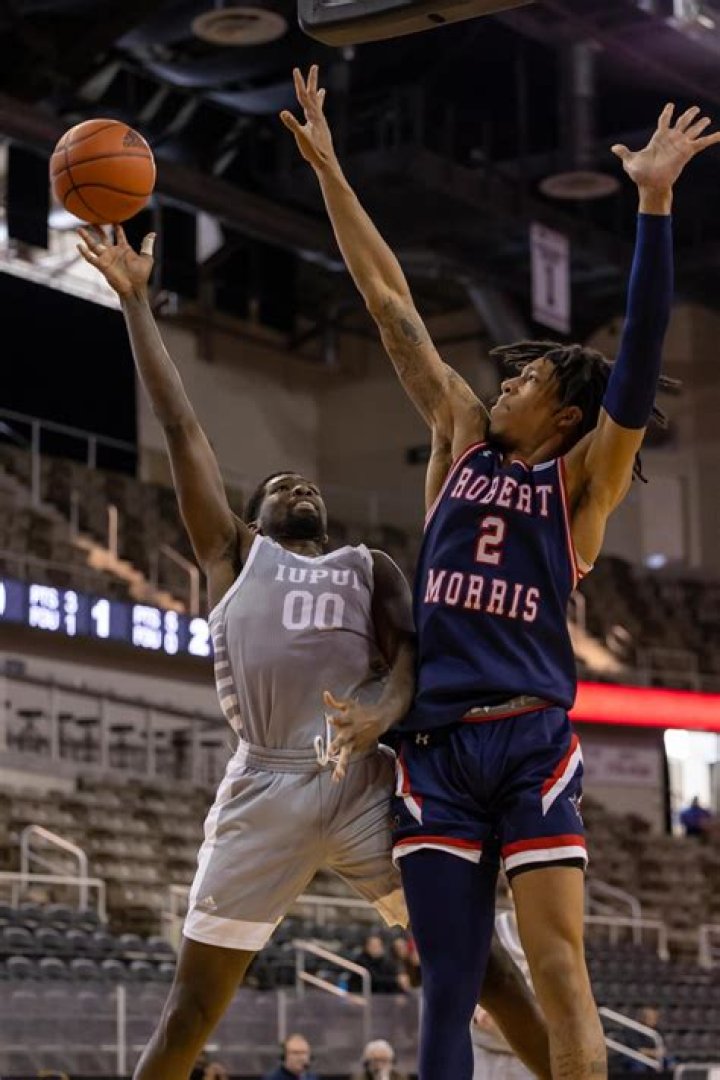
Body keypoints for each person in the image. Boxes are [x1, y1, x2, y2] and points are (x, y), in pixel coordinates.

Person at [283, 64, 720, 1079]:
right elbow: (389, 303)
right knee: (452, 979)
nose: (504, 382)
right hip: (437, 748)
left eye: (523, 378)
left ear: (563, 412)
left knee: (564, 975)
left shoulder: (583, 486)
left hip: (529, 742)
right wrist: (332, 170)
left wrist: (653, 202)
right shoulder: (457, 440)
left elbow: (643, 358)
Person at [77, 223, 552, 1080]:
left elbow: (411, 655)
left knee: (486, 968)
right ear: (254, 518)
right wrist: (138, 303)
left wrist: (383, 707)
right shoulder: (232, 555)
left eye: (310, 482)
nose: (301, 481)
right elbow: (181, 424)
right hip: (266, 784)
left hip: (363, 779)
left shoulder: (369, 566)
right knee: (191, 1009)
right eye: (280, 484)